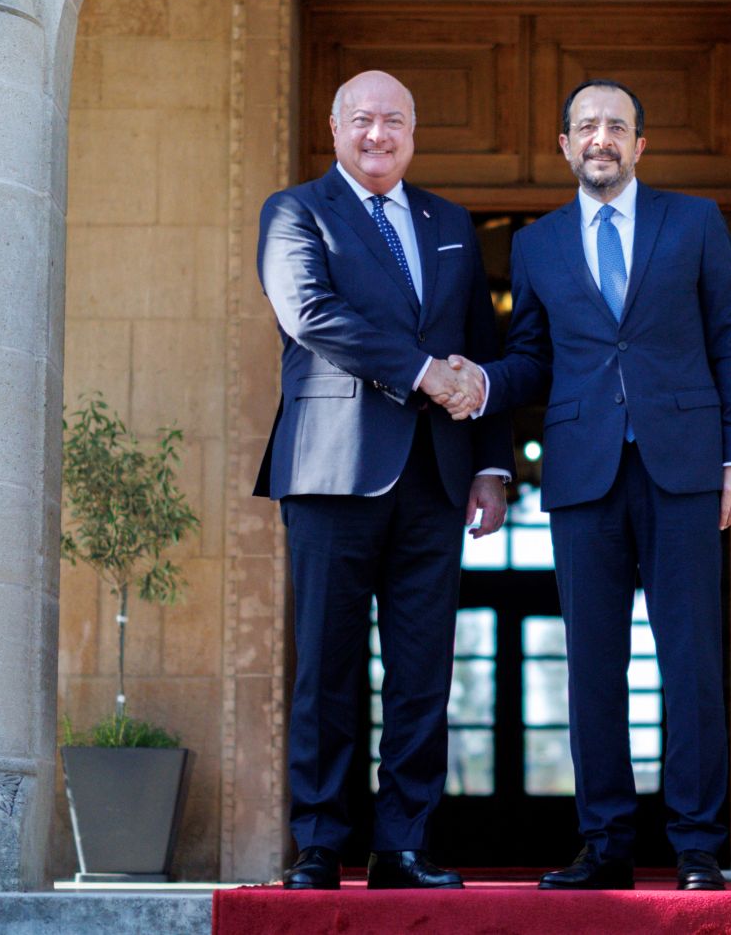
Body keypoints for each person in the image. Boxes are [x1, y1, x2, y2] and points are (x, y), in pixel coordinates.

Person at [446, 78, 731, 891]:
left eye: (616, 126)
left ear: (640, 144)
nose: (601, 138)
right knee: (591, 663)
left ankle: (696, 846)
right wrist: (476, 383)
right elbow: (535, 358)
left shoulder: (692, 222)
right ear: (564, 145)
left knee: (690, 657)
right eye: (586, 126)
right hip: (584, 473)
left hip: (686, 467)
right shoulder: (539, 244)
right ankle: (606, 843)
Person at [254, 69, 511, 890]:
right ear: (334, 129)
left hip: (437, 477)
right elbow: (310, 314)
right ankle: (320, 843)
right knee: (326, 663)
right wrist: (425, 372)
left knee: (421, 670)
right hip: (331, 470)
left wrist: (494, 466)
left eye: (393, 121)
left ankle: (401, 844)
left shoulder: (451, 222)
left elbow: (482, 347)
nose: (378, 134)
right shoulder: (295, 212)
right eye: (362, 120)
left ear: (413, 132)